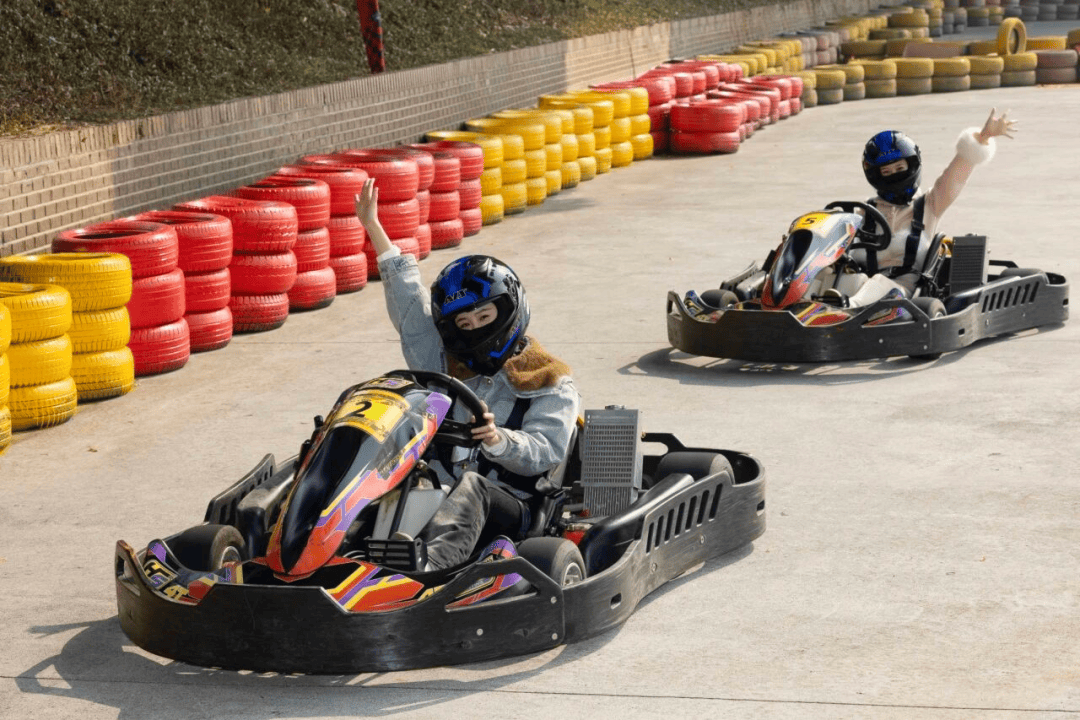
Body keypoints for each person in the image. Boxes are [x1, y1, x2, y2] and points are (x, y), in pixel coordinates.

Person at [354, 178, 580, 570]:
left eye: (484, 316)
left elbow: (546, 451)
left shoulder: (549, 378)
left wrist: (498, 440)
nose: (475, 328)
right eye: (465, 322)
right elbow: (410, 308)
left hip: (513, 507)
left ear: (507, 311)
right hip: (438, 490)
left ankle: (429, 570)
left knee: (473, 486)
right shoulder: (446, 363)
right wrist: (374, 227)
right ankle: (321, 547)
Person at [820, 108, 1018, 307]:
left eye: (899, 168)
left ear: (912, 166)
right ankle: (808, 306)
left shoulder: (930, 204)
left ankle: (848, 308)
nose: (894, 175)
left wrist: (983, 137)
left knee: (878, 283)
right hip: (863, 285)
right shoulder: (866, 211)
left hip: (904, 294)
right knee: (830, 276)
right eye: (886, 171)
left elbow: (955, 177)